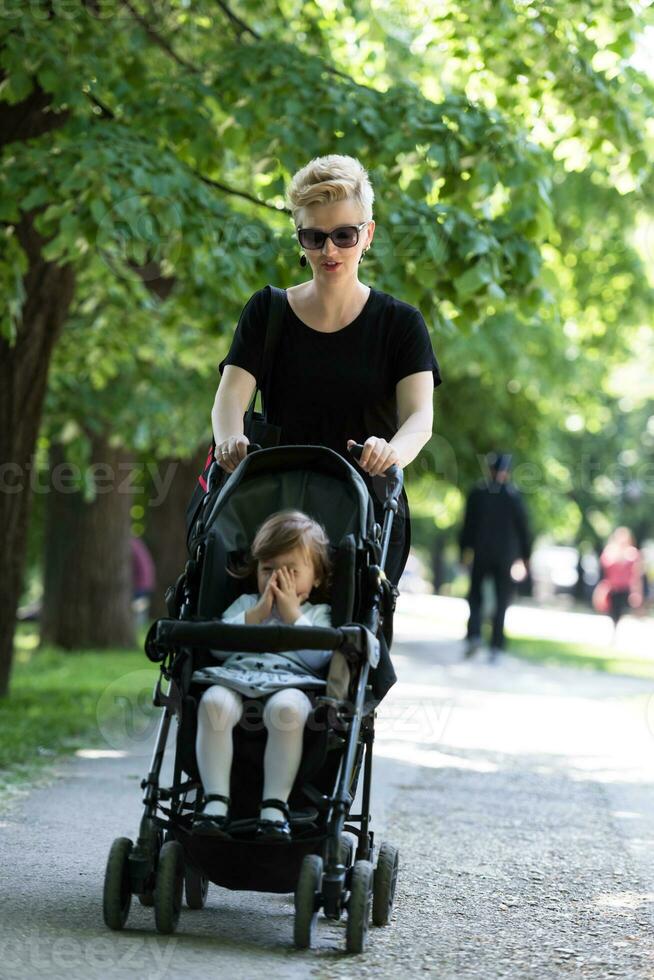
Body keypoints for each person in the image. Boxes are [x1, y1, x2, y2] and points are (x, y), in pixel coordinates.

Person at [211, 154, 443, 701]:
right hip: (273, 493)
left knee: (352, 617)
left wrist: (392, 449)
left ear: (368, 234)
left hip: (361, 499)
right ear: (299, 237)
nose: (329, 251)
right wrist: (228, 437)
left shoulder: (400, 324)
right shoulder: (267, 312)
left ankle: (328, 727)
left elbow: (420, 418)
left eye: (343, 235)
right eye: (314, 238)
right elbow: (229, 400)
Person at [191, 509, 350, 842]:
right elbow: (218, 646)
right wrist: (255, 615)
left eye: (291, 571)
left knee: (287, 711)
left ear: (317, 576)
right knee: (212, 702)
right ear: (256, 571)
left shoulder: (317, 614)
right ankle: (215, 801)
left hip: (293, 685)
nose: (277, 579)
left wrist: (292, 617)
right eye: (268, 569)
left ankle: (274, 807)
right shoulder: (247, 603)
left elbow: (322, 658)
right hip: (235, 678)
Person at [459, 452, 532, 662]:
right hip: (505, 557)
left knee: (475, 597)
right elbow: (524, 529)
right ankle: (496, 646)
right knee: (502, 601)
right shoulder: (514, 497)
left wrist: (464, 550)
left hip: (481, 553)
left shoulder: (477, 493)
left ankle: (474, 636)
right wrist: (525, 557)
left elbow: (467, 527)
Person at [599, 526, 643, 638]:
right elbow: (605, 568)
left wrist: (636, 592)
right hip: (612, 588)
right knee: (611, 611)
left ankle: (616, 632)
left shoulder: (632, 554)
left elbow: (636, 575)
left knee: (620, 611)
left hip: (625, 588)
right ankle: (612, 630)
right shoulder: (610, 552)